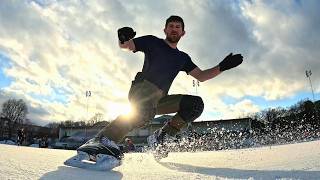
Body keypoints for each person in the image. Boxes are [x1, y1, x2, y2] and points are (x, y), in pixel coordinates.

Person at [77, 15, 243, 164]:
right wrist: (123, 38)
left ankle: (161, 138)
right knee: (143, 111)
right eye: (171, 26)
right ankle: (103, 140)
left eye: (178, 27)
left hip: (160, 99)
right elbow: (128, 45)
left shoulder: (183, 58)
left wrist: (223, 67)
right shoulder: (152, 42)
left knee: (195, 104)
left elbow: (201, 76)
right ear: (165, 29)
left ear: (183, 33)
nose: (174, 29)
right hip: (142, 90)